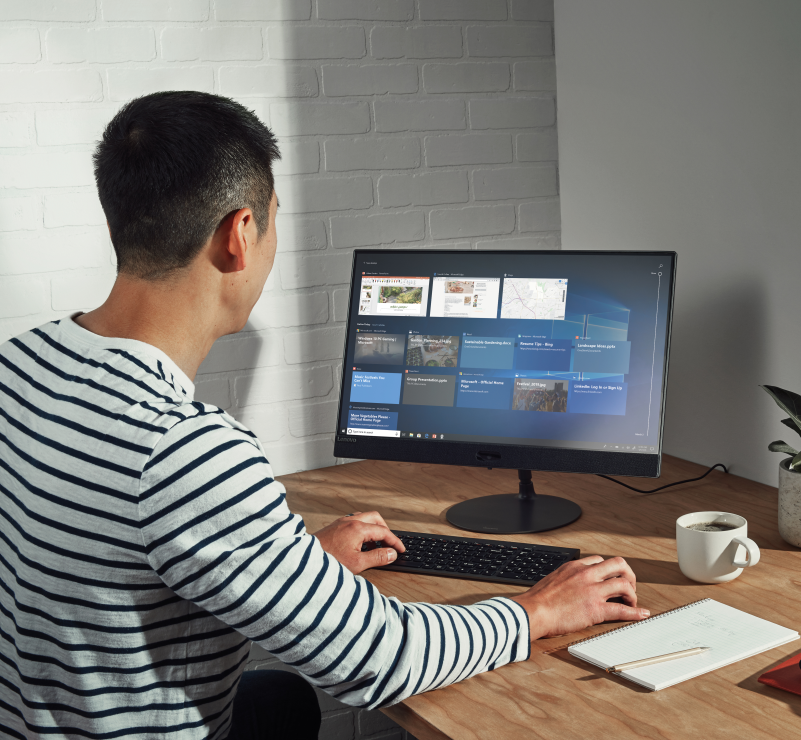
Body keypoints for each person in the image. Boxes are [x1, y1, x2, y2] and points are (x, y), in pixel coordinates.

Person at [0, 91, 649, 740]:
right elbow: (379, 658)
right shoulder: (182, 451)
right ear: (240, 234)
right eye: (273, 221)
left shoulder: (19, 366)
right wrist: (537, 610)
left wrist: (298, 566)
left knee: (281, 700)